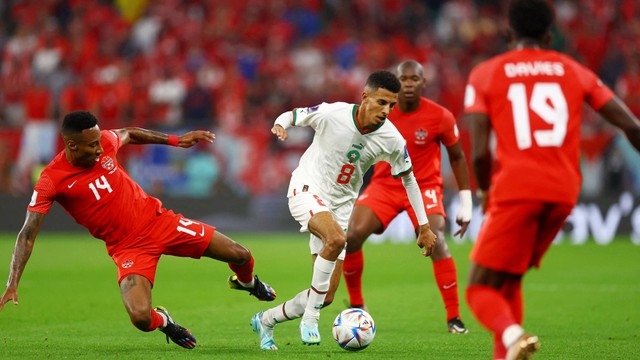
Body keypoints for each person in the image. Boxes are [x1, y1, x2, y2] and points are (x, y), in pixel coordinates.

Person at [0, 110, 277, 350]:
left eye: (99, 142)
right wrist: (13, 281)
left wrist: (175, 140)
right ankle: (165, 321)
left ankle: (247, 282)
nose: (100, 148)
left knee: (241, 254)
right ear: (71, 145)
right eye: (91, 145)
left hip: (160, 223)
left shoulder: (105, 142)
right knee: (141, 318)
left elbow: (129, 133)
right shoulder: (51, 180)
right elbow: (27, 233)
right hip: (128, 248)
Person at [463, 1, 640, 359]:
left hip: (516, 189)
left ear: (508, 34)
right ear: (549, 35)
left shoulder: (486, 73)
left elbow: (480, 152)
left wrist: (484, 190)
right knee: (508, 279)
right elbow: (631, 127)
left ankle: (513, 335)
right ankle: (508, 352)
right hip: (563, 193)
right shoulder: (576, 71)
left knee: (478, 289)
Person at [251, 70, 438, 350]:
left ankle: (266, 319)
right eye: (381, 102)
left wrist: (423, 226)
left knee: (325, 295)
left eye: (391, 105)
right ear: (365, 97)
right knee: (338, 239)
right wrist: (281, 125)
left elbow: (409, 179)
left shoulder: (392, 140)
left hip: (340, 207)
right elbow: (293, 115)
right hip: (307, 188)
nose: (386, 110)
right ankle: (310, 320)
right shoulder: (332, 113)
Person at [343, 60, 473, 334]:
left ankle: (454, 318)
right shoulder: (381, 112)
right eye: (404, 79)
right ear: (396, 83)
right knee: (351, 236)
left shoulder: (440, 116)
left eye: (415, 79)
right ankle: (357, 306)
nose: (409, 84)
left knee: (436, 240)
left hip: (424, 187)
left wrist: (466, 203)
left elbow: (458, 157)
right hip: (385, 185)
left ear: (424, 83)